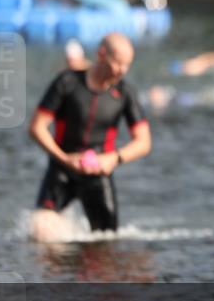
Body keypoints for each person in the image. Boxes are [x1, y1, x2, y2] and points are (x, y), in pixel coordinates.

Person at [28, 33, 151, 237]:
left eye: (127, 65)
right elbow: (37, 127)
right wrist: (65, 159)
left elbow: (144, 142)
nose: (123, 70)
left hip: (99, 175)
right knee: (41, 232)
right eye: (118, 63)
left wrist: (114, 158)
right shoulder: (67, 82)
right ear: (101, 54)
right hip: (62, 169)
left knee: (106, 241)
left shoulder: (125, 92)